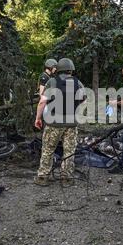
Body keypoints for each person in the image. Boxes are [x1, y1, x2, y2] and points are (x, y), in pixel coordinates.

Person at [34, 58, 85, 187]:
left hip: (53, 123)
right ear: (71, 69)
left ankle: (43, 177)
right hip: (71, 124)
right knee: (69, 151)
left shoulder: (52, 81)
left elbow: (42, 102)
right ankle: (66, 178)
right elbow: (84, 99)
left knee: (48, 149)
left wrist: (38, 118)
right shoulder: (77, 83)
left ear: (59, 69)